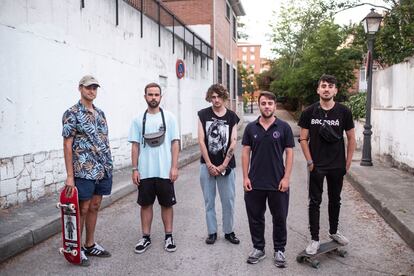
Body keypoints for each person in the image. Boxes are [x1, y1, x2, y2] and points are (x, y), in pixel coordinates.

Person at [298, 74, 356, 255]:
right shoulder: (309, 112)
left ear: (335, 90)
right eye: (323, 85)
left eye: (330, 86)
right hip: (317, 165)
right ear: (318, 89)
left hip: (337, 165)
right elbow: (303, 138)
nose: (326, 89)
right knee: (314, 202)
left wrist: (347, 162)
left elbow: (352, 137)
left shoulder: (344, 111)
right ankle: (314, 239)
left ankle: (333, 232)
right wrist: (309, 161)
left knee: (335, 200)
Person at [62, 75, 113, 267]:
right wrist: (69, 176)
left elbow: (104, 140)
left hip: (103, 168)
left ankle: (90, 244)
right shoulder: (71, 113)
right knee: (82, 208)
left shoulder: (100, 113)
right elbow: (67, 144)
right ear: (80, 88)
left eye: (95, 88)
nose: (92, 91)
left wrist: (109, 164)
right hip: (83, 169)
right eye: (88, 87)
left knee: (95, 206)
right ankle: (78, 248)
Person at [241, 91, 294, 268]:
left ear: (275, 106)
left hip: (278, 183)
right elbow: (245, 152)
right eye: (263, 103)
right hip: (255, 182)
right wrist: (245, 177)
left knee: (279, 218)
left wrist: (286, 178)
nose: (267, 106)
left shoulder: (284, 127)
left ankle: (279, 250)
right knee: (255, 217)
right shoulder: (251, 128)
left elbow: (290, 153)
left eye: (270, 103)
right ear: (259, 105)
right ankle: (258, 248)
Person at [128, 82, 180, 254]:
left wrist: (174, 167)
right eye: (150, 95)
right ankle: (145, 237)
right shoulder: (137, 119)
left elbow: (175, 143)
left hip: (165, 171)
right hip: (145, 171)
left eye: (156, 95)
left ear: (160, 97)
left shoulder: (170, 118)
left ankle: (169, 236)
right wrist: (135, 169)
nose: (153, 98)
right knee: (145, 205)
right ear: (145, 97)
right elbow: (135, 146)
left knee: (166, 205)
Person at [197, 84, 240, 245]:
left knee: (228, 200)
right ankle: (212, 232)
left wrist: (223, 165)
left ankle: (229, 232)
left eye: (218, 96)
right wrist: (209, 164)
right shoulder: (203, 114)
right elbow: (201, 140)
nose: (216, 100)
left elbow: (233, 141)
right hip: (206, 165)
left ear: (224, 97)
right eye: (213, 97)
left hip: (226, 166)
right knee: (209, 200)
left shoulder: (231, 117)